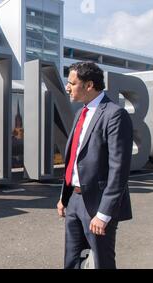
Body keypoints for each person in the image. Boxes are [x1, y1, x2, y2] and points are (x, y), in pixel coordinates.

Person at [57, 61, 133, 269]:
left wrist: (103, 214)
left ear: (89, 85)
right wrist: (64, 197)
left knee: (101, 263)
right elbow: (74, 159)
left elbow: (119, 170)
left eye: (72, 82)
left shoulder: (115, 115)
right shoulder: (80, 114)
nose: (67, 87)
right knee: (72, 261)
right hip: (74, 199)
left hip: (98, 205)